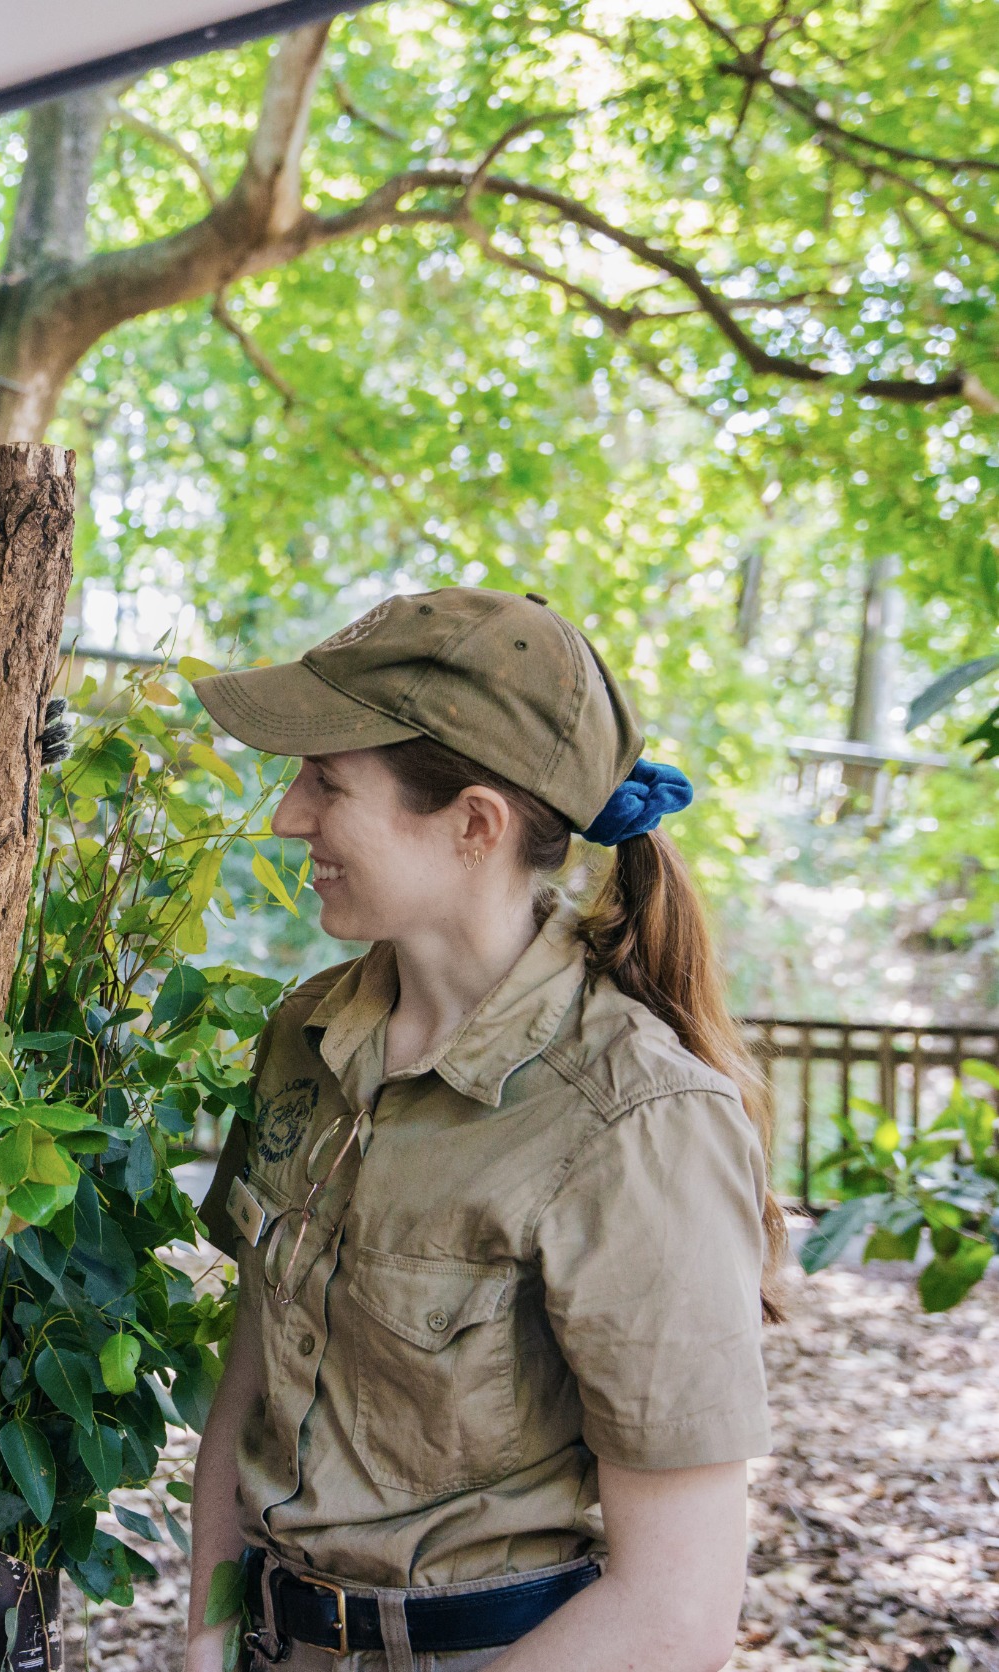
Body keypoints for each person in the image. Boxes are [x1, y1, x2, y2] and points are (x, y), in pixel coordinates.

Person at [180, 588, 783, 1672]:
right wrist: (206, 1639)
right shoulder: (303, 1035)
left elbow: (672, 1611)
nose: (282, 816)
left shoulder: (635, 1123)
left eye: (325, 781)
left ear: (471, 823)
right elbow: (250, 1379)